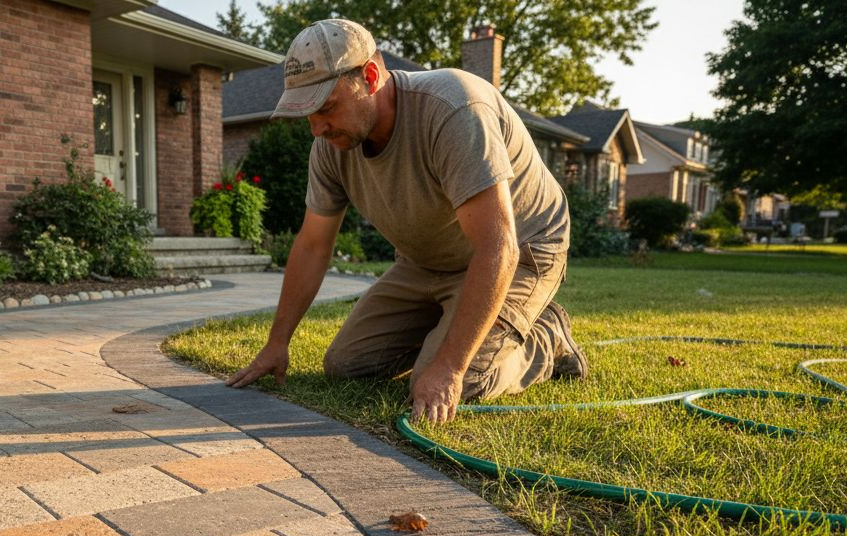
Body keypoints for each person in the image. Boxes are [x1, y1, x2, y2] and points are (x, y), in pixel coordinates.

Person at [227, 18, 587, 423]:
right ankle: (452, 324)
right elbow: (312, 245)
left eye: (326, 106)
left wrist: (448, 366)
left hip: (522, 251)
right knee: (347, 366)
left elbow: (498, 247)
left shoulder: (454, 109)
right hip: (425, 262)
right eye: (306, 113)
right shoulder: (330, 147)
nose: (317, 128)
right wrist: (278, 342)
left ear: (370, 76)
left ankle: (546, 338)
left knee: (457, 379)